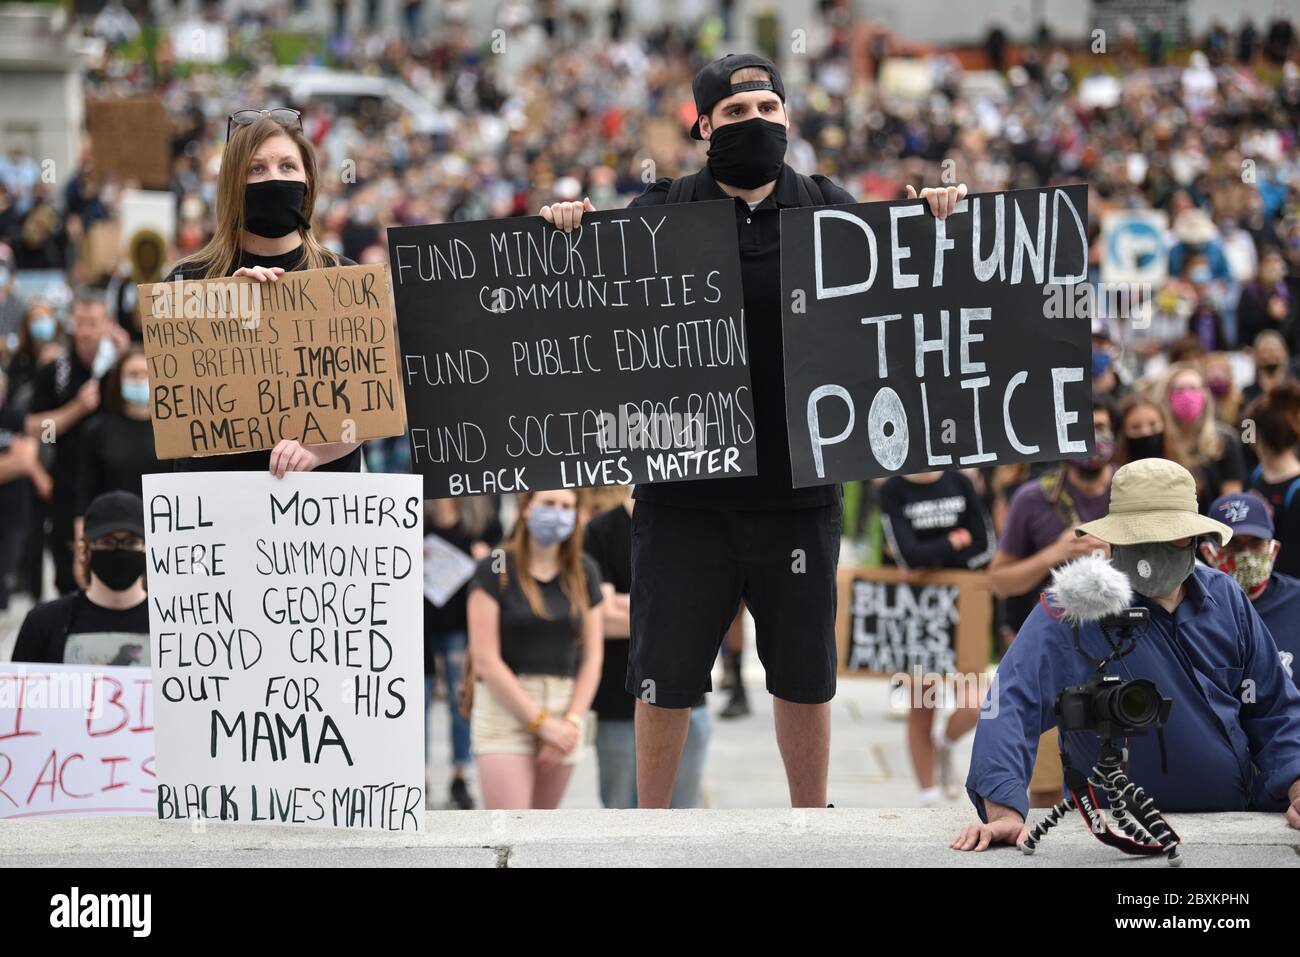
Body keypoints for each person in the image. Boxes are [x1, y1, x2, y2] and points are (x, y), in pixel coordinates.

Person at [539, 52, 964, 808]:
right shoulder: (658, 211)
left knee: (804, 674)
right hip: (681, 499)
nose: (755, 122)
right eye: (735, 113)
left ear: (789, 118)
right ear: (703, 125)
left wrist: (933, 226)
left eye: (768, 108)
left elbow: (910, 306)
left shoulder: (830, 207)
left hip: (797, 496)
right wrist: (567, 234)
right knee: (663, 675)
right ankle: (654, 828)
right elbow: (587, 320)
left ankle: (811, 823)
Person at [954, 459, 1300, 852]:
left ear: (1191, 539)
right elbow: (1010, 702)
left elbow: (1275, 709)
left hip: (1233, 822)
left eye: (1167, 538)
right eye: (1138, 539)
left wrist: (1297, 784)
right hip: (1109, 831)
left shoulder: (1227, 597)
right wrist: (1004, 814)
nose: (1151, 552)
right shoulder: (1070, 609)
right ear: (1114, 543)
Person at [163, 109, 360, 477]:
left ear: (308, 180)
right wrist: (222, 310)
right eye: (257, 169)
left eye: (287, 166)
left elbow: (372, 402)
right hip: (219, 508)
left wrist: (318, 452)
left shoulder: (345, 280)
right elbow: (177, 411)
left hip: (322, 514)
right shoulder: (186, 282)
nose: (274, 178)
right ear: (232, 183)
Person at [985, 400, 1115, 808]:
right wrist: (1052, 554)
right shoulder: (1032, 499)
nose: (1096, 439)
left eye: (1103, 427)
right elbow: (999, 581)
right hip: (1050, 657)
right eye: (1085, 428)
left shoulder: (1129, 496)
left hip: (1121, 653)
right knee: (1046, 788)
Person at [466, 489, 603, 809]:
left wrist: (569, 724)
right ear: (526, 508)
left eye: (567, 507)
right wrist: (542, 724)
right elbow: (486, 660)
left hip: (565, 704)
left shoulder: (584, 571)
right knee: (509, 834)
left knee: (542, 835)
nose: (558, 513)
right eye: (550, 504)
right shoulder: (495, 566)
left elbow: (593, 658)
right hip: (506, 707)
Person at [583, 488, 713, 808]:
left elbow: (705, 611)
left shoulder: (694, 525)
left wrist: (622, 604)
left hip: (687, 702)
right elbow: (598, 620)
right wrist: (665, 611)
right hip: (618, 704)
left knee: (684, 814)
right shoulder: (600, 530)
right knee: (621, 815)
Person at [880, 469, 995, 805]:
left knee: (979, 702)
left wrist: (932, 556)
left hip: (964, 601)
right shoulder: (893, 488)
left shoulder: (958, 482)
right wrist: (953, 541)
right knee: (922, 705)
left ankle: (945, 744)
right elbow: (906, 554)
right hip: (918, 608)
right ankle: (928, 795)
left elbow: (985, 545)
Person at [22, 290, 128, 594]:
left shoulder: (119, 370)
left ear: (107, 325)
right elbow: (39, 431)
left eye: (93, 324)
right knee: (70, 581)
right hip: (67, 487)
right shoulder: (56, 372)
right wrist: (74, 410)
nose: (86, 332)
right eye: (80, 323)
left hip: (113, 485)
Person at [423, 496, 501, 810]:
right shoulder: (416, 509)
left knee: (460, 701)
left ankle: (459, 775)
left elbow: (504, 564)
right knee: (420, 701)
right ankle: (420, 775)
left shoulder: (482, 515)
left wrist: (487, 559)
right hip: (421, 621)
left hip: (461, 621)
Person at [11, 491, 148, 666]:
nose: (119, 550)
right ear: (84, 550)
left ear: (147, 548)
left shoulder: (172, 625)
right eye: (107, 542)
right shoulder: (43, 623)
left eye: (131, 542)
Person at [1203, 492, 1300, 687]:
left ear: (1273, 550)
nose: (1246, 554)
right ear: (1209, 553)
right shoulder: (1194, 607)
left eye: (1256, 543)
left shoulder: (1296, 600)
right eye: (1234, 545)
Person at [76, 346, 162, 521]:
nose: (139, 380)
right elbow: (85, 491)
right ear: (119, 380)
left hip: (165, 526)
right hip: (113, 529)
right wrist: (81, 539)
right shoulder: (98, 430)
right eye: (132, 374)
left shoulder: (174, 430)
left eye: (146, 374)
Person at [1151, 361, 1246, 511]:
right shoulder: (1157, 439)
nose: (1187, 395)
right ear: (1168, 396)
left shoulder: (1225, 440)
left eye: (1194, 388)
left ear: (1205, 395)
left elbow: (1231, 502)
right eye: (1180, 389)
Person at [1244, 381, 1300, 577]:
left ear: (1260, 435)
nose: (1246, 435)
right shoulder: (1256, 474)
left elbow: (1292, 562)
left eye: (1248, 429)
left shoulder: (1295, 489)